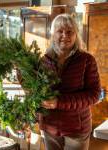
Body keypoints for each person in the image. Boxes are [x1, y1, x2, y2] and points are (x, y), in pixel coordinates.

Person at [39, 13, 101, 150]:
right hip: (50, 127)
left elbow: (94, 94)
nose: (65, 36)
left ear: (76, 35)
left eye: (69, 32)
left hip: (76, 129)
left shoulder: (86, 60)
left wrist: (59, 102)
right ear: (52, 34)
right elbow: (38, 91)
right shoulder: (44, 61)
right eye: (59, 31)